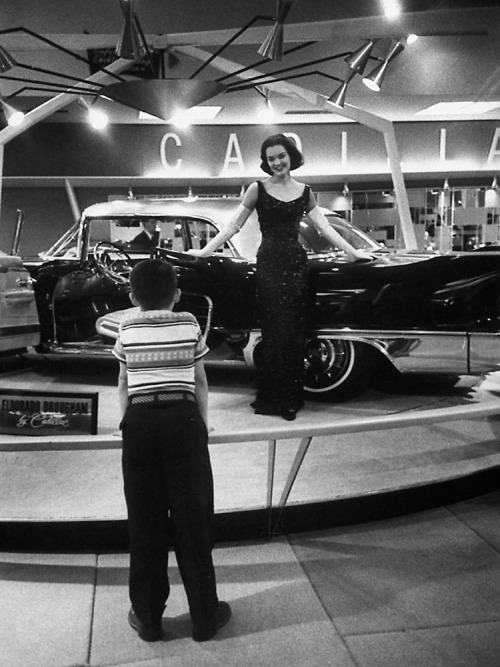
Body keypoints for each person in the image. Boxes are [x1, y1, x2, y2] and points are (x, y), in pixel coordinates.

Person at [189, 133, 368, 421]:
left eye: (281, 156)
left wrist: (353, 251)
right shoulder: (257, 189)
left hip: (296, 265)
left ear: (291, 156)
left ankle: (291, 398)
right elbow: (233, 226)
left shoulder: (306, 191)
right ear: (266, 162)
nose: (277, 163)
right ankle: (271, 398)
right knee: (274, 333)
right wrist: (204, 252)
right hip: (269, 264)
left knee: (294, 334)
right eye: (271, 159)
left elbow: (324, 229)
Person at [113, 258, 231, 643]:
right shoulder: (189, 324)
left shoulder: (125, 327)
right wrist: (203, 423)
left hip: (141, 424)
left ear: (132, 297)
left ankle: (148, 618)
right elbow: (199, 380)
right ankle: (204, 617)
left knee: (144, 522)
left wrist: (128, 424)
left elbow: (123, 383)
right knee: (193, 520)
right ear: (177, 295)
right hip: (183, 421)